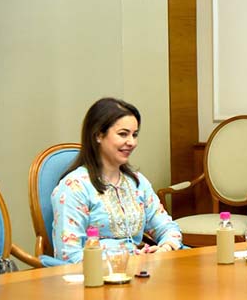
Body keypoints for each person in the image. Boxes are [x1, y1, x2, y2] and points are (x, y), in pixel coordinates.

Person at [52, 98, 183, 263]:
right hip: (94, 279)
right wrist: (125, 261)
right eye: (123, 134)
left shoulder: (137, 182)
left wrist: (165, 248)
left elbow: (167, 227)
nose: (132, 142)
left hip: (139, 273)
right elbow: (69, 256)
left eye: (134, 135)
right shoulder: (75, 186)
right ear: (98, 134)